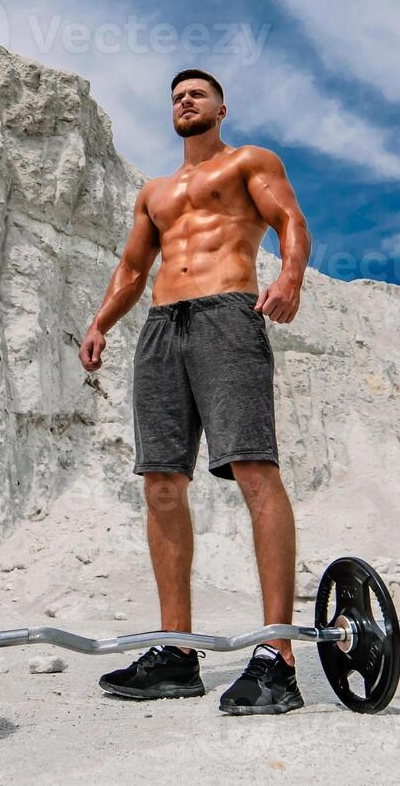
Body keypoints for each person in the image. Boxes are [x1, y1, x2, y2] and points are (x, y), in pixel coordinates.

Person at [77, 68, 311, 716]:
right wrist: (100, 322)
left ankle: (278, 656)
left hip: (226, 314)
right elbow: (131, 267)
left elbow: (291, 220)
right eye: (176, 96)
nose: (184, 100)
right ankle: (177, 655)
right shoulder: (153, 192)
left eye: (196, 93)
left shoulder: (248, 163)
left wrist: (289, 279)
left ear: (221, 107)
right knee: (159, 482)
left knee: (255, 470)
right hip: (160, 327)